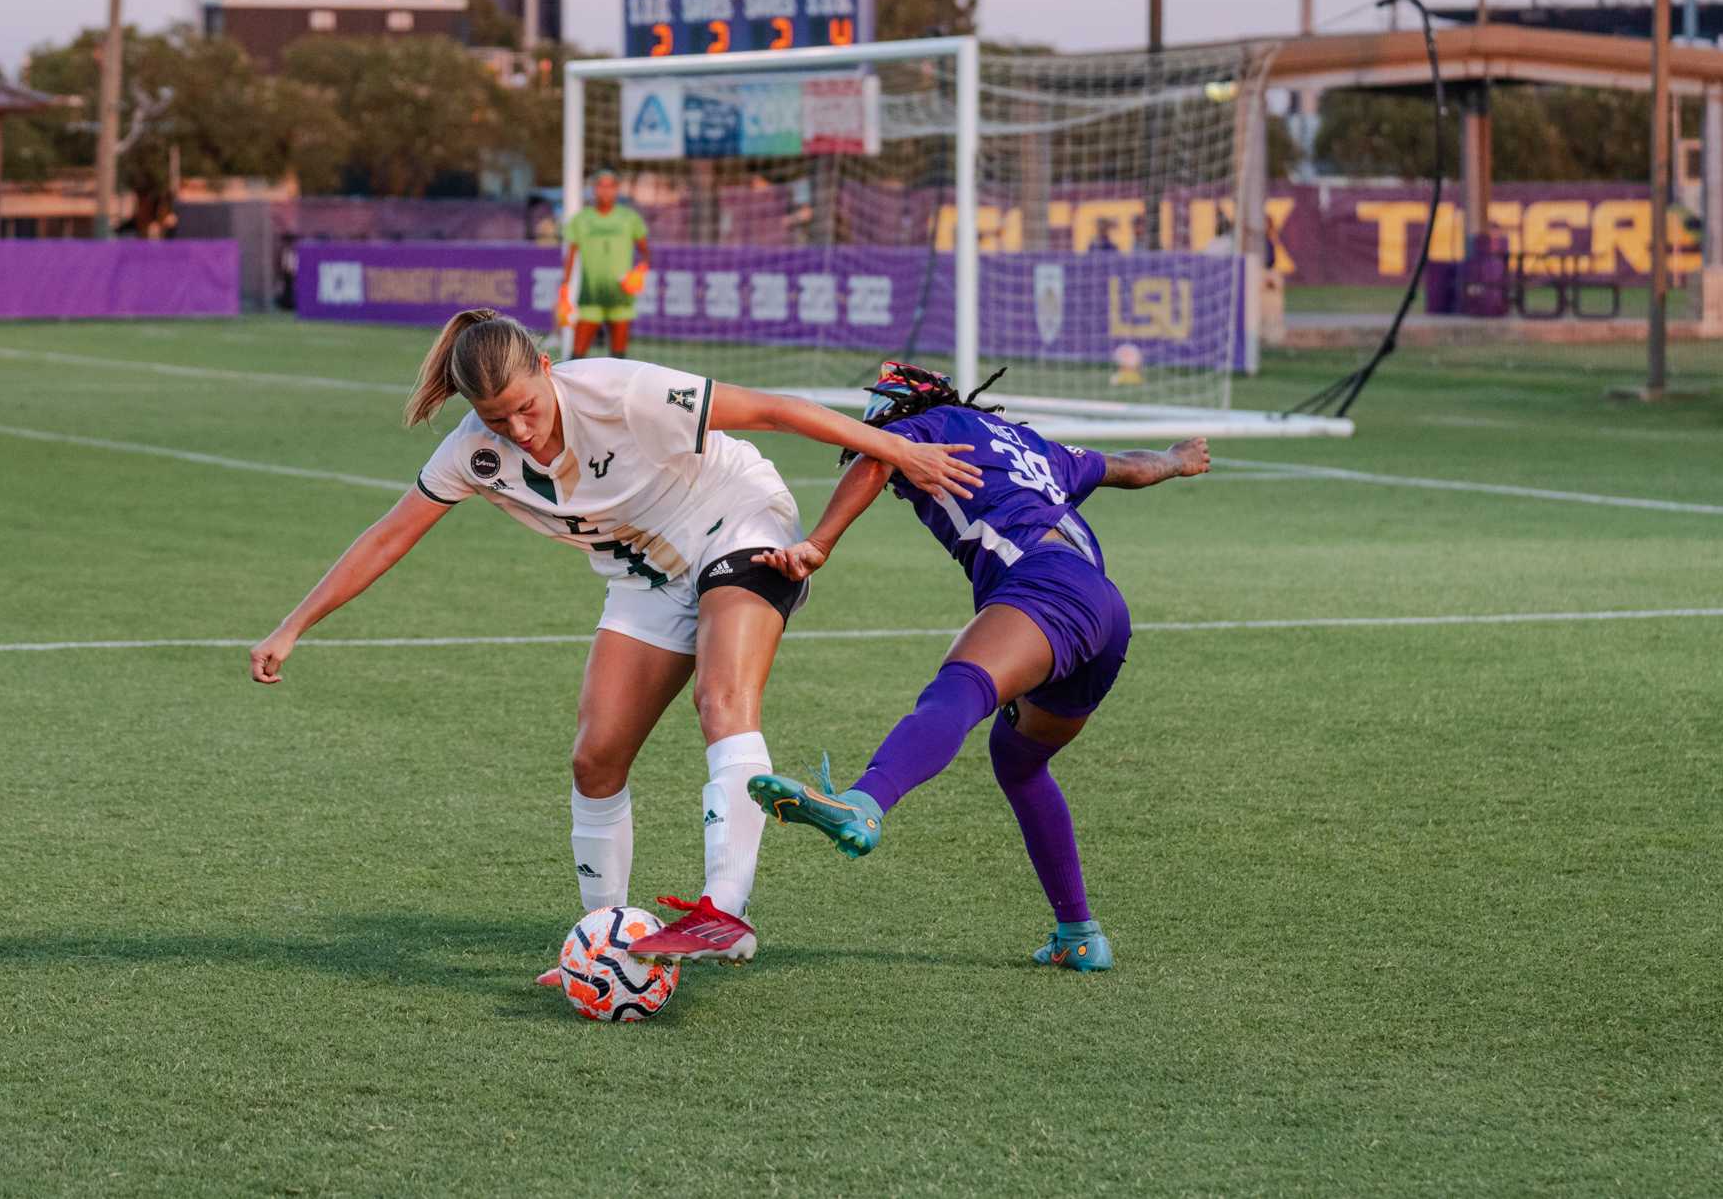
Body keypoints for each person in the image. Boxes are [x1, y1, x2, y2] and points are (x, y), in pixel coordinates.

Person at [248, 315, 982, 973]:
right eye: (497, 420)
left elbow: (771, 409)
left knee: (721, 697)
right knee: (595, 757)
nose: (520, 431)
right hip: (647, 577)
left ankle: (723, 913)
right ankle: (602, 937)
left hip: (738, 521)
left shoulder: (621, 391)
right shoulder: (474, 451)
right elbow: (389, 535)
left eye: (526, 408)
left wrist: (895, 449)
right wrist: (294, 624)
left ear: (544, 363)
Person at [745, 362, 1211, 972]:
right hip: (1105, 610)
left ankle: (866, 801)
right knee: (1018, 761)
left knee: (957, 690)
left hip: (1045, 589)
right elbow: (1127, 468)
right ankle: (1078, 933)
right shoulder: (1035, 448)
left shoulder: (927, 429)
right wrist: (1176, 459)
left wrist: (821, 542)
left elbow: (878, 459)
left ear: (899, 416)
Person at [556, 170, 649, 360]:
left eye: (610, 186)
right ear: (593, 190)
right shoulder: (580, 220)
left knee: (619, 360)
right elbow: (570, 257)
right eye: (601, 186)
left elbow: (645, 252)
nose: (605, 191)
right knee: (576, 358)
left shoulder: (629, 218)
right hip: (590, 296)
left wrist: (640, 271)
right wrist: (564, 290)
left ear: (616, 190)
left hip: (621, 297)